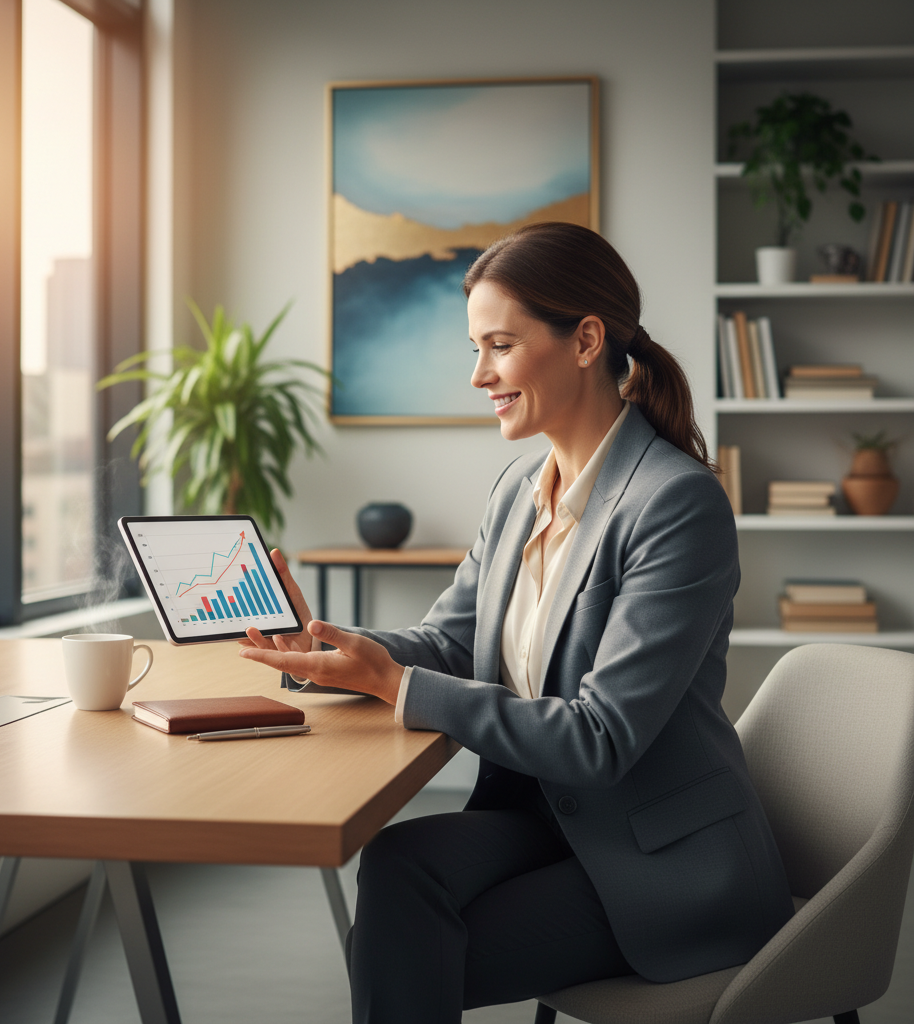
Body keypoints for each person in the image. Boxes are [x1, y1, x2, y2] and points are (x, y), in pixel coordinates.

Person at [239, 222, 794, 1024]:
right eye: (475, 348)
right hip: (547, 821)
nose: (478, 375)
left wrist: (396, 684)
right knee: (397, 866)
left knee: (398, 955)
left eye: (498, 345)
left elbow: (598, 738)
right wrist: (323, 646)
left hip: (663, 863)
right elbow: (454, 644)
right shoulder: (515, 491)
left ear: (585, 340)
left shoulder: (675, 505)